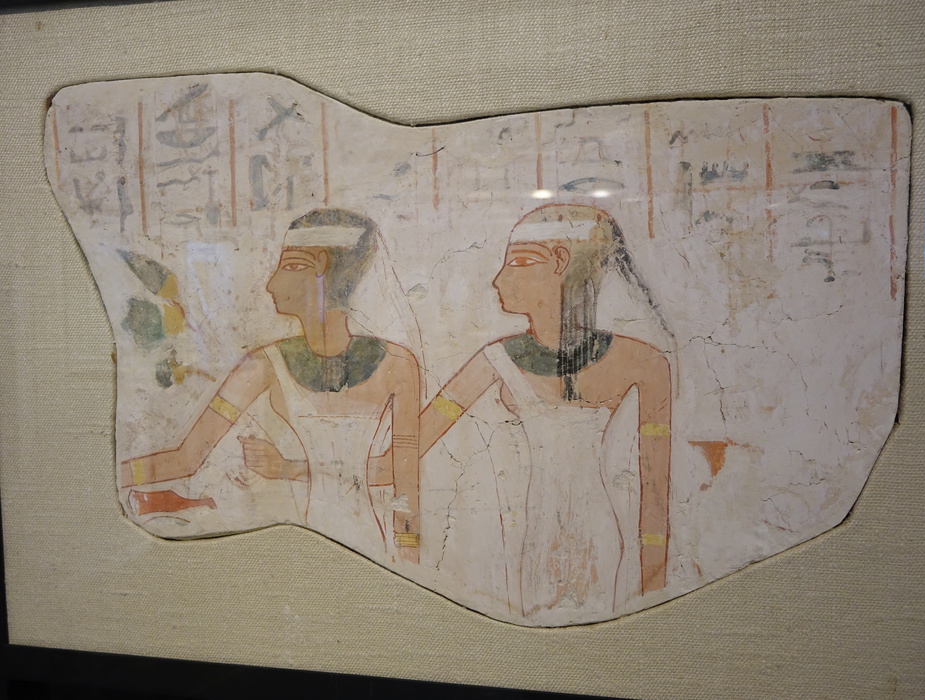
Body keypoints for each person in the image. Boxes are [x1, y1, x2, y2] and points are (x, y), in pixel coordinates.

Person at [119, 208, 421, 563]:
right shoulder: (264, 364)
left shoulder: (398, 365)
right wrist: (109, 477)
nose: (271, 284)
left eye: (289, 266)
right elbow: (187, 458)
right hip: (293, 546)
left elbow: (400, 476)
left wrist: (410, 554)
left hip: (371, 546)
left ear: (321, 267)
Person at [421, 203, 672, 624]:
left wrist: (655, 593)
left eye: (519, 262)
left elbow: (656, 491)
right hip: (529, 535)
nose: (499, 279)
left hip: (598, 533)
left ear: (559, 262)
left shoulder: (644, 362)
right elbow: (417, 440)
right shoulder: (497, 358)